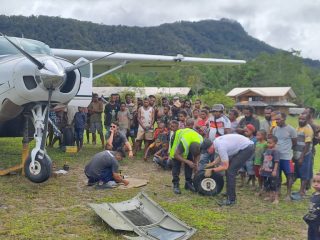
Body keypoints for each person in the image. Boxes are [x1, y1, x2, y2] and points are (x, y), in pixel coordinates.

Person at [201, 134, 254, 206]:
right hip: (244, 146)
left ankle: (231, 200)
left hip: (247, 148)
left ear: (210, 147)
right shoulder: (216, 142)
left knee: (230, 171)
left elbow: (225, 166)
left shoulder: (220, 146)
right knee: (230, 170)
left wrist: (212, 170)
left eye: (207, 151)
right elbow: (222, 156)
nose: (207, 152)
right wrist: (212, 163)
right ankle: (229, 192)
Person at [170, 118, 203, 194]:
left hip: (189, 145)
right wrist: (187, 161)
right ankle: (176, 184)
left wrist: (195, 164)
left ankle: (188, 183)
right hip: (177, 145)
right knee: (176, 165)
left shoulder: (200, 139)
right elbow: (176, 155)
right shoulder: (184, 142)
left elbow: (197, 154)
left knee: (190, 163)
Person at [272, 112, 297, 200]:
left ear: (284, 119)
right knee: (277, 176)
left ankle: (288, 194)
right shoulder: (275, 129)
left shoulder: (291, 130)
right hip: (277, 157)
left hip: (287, 157)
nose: (276, 121)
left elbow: (294, 142)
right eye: (276, 119)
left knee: (289, 175)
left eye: (278, 119)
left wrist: (289, 151)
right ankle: (278, 192)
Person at [292, 113, 314, 200]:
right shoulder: (297, 128)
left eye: (303, 119)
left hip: (305, 154)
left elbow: (307, 144)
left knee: (304, 174)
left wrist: (302, 157)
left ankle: (302, 192)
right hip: (297, 154)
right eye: (299, 119)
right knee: (299, 172)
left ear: (307, 120)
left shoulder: (308, 129)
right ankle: (300, 191)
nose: (300, 121)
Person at [260, 135, 280, 204]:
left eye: (270, 143)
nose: (268, 144)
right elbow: (264, 160)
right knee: (267, 184)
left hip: (272, 171)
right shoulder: (266, 150)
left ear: (275, 143)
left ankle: (276, 198)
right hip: (266, 171)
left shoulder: (276, 152)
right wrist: (262, 167)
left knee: (274, 185)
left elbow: (276, 162)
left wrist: (274, 170)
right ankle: (270, 196)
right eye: (267, 142)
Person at [303, 172, 320, 240]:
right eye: (314, 181)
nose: (316, 184)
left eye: (319, 182)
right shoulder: (314, 194)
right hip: (312, 223)